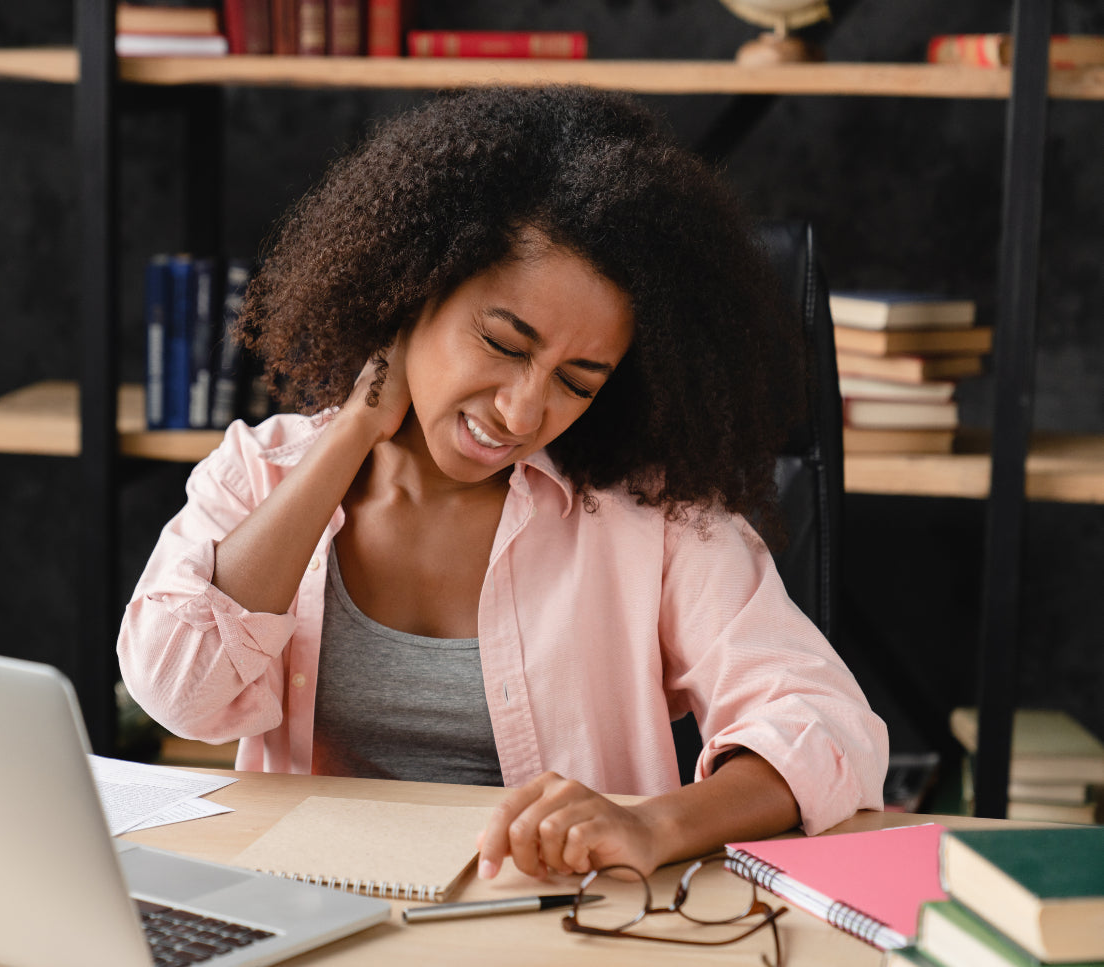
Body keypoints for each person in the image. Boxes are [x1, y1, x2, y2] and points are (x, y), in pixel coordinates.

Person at [118, 85, 887, 883]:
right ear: (413, 289)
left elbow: (829, 727)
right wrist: (350, 432)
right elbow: (182, 695)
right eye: (503, 342)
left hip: (552, 923)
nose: (524, 410)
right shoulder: (267, 471)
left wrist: (652, 823)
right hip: (319, 910)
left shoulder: (650, 517)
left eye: (578, 381)